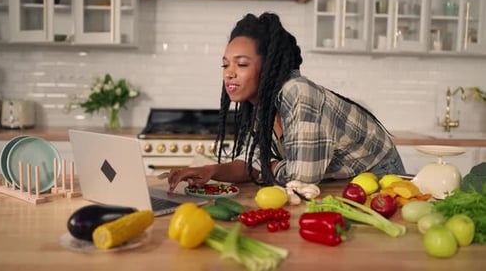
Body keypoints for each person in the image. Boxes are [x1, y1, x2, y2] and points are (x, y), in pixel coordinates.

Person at [168, 12, 406, 192]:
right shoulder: (258, 106)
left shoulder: (298, 93)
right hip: (342, 179)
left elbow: (301, 179)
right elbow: (252, 163)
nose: (229, 73)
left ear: (268, 65)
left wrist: (269, 166)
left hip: (379, 174)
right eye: (225, 64)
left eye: (241, 64)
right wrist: (212, 171)